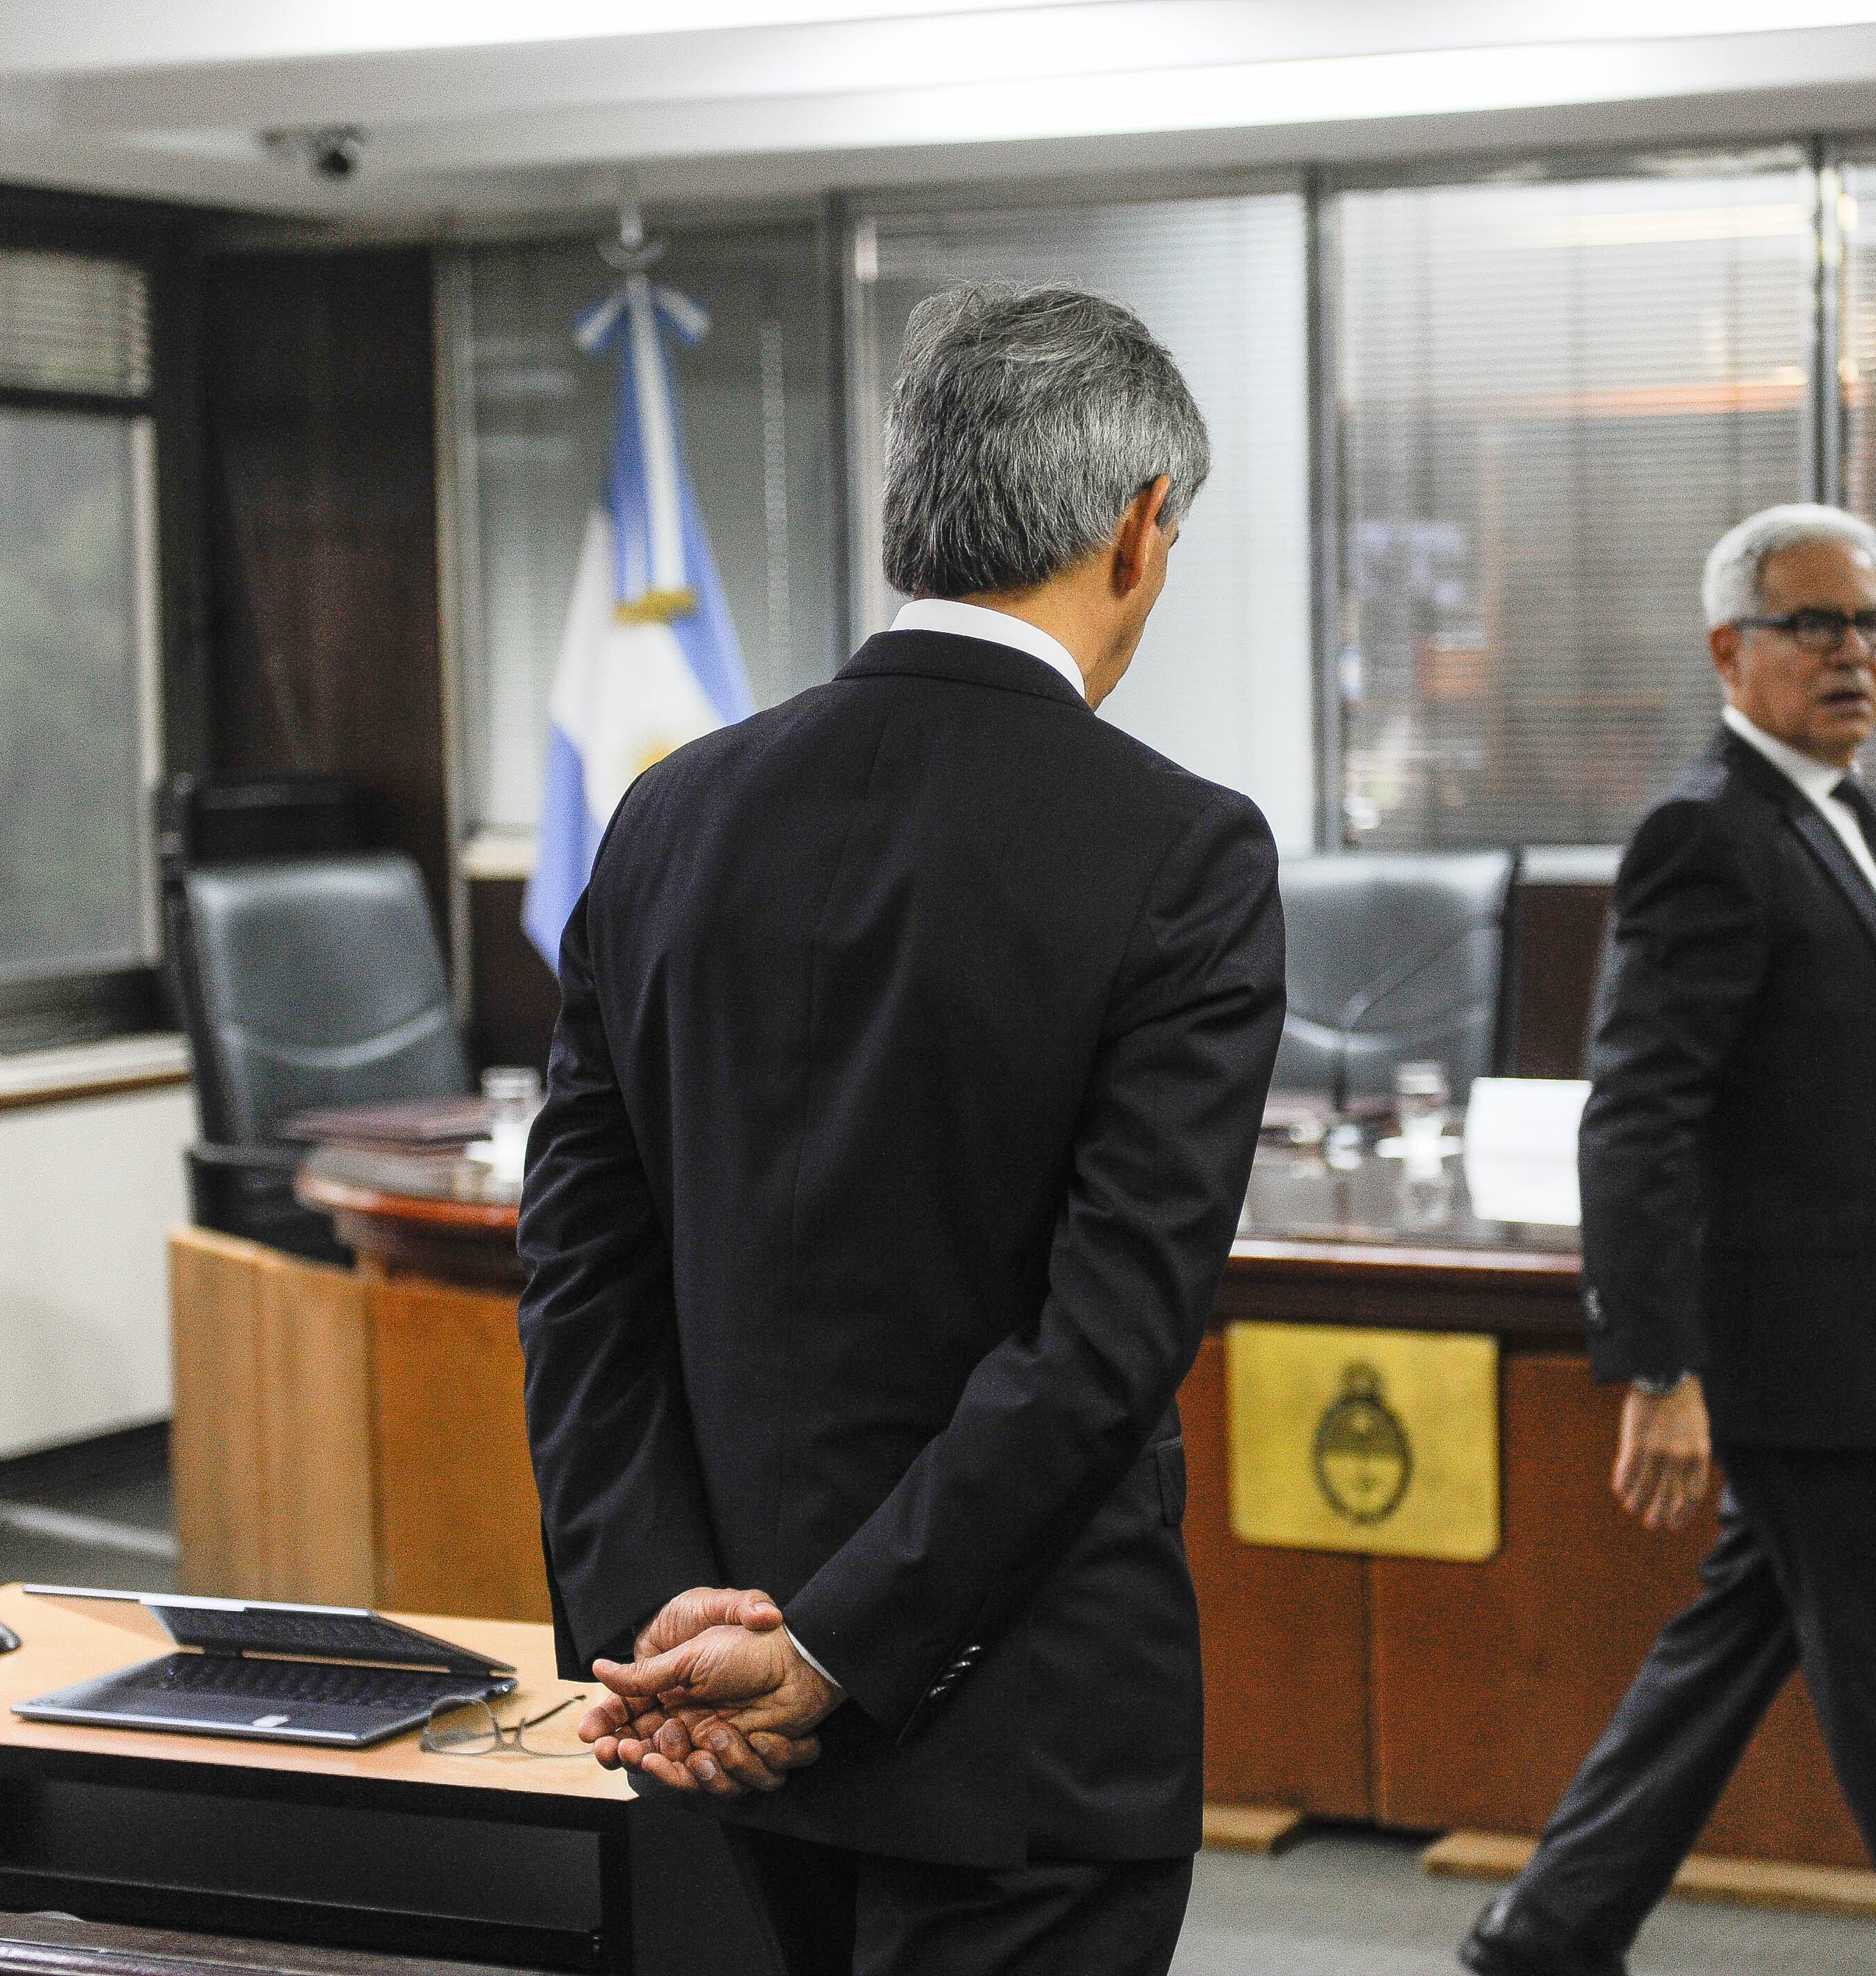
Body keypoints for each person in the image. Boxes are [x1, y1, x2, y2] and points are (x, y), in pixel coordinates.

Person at [516, 280, 1284, 1976]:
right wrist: (836, 1651)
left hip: (695, 1722)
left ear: (906, 514)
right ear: (1140, 529)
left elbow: (578, 1266)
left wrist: (658, 1616)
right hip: (1014, 1734)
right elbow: (1104, 1342)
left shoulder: (665, 816)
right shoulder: (1182, 854)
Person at [1460, 504, 1876, 1976]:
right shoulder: (1709, 833)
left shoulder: (1850, 814)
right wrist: (1656, 1365)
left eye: (1873, 625)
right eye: (1814, 625)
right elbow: (1637, 1118)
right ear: (1725, 651)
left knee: (1731, 1650)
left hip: (1863, 1337)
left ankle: (1546, 1935)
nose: (1853, 655)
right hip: (1796, 1353)